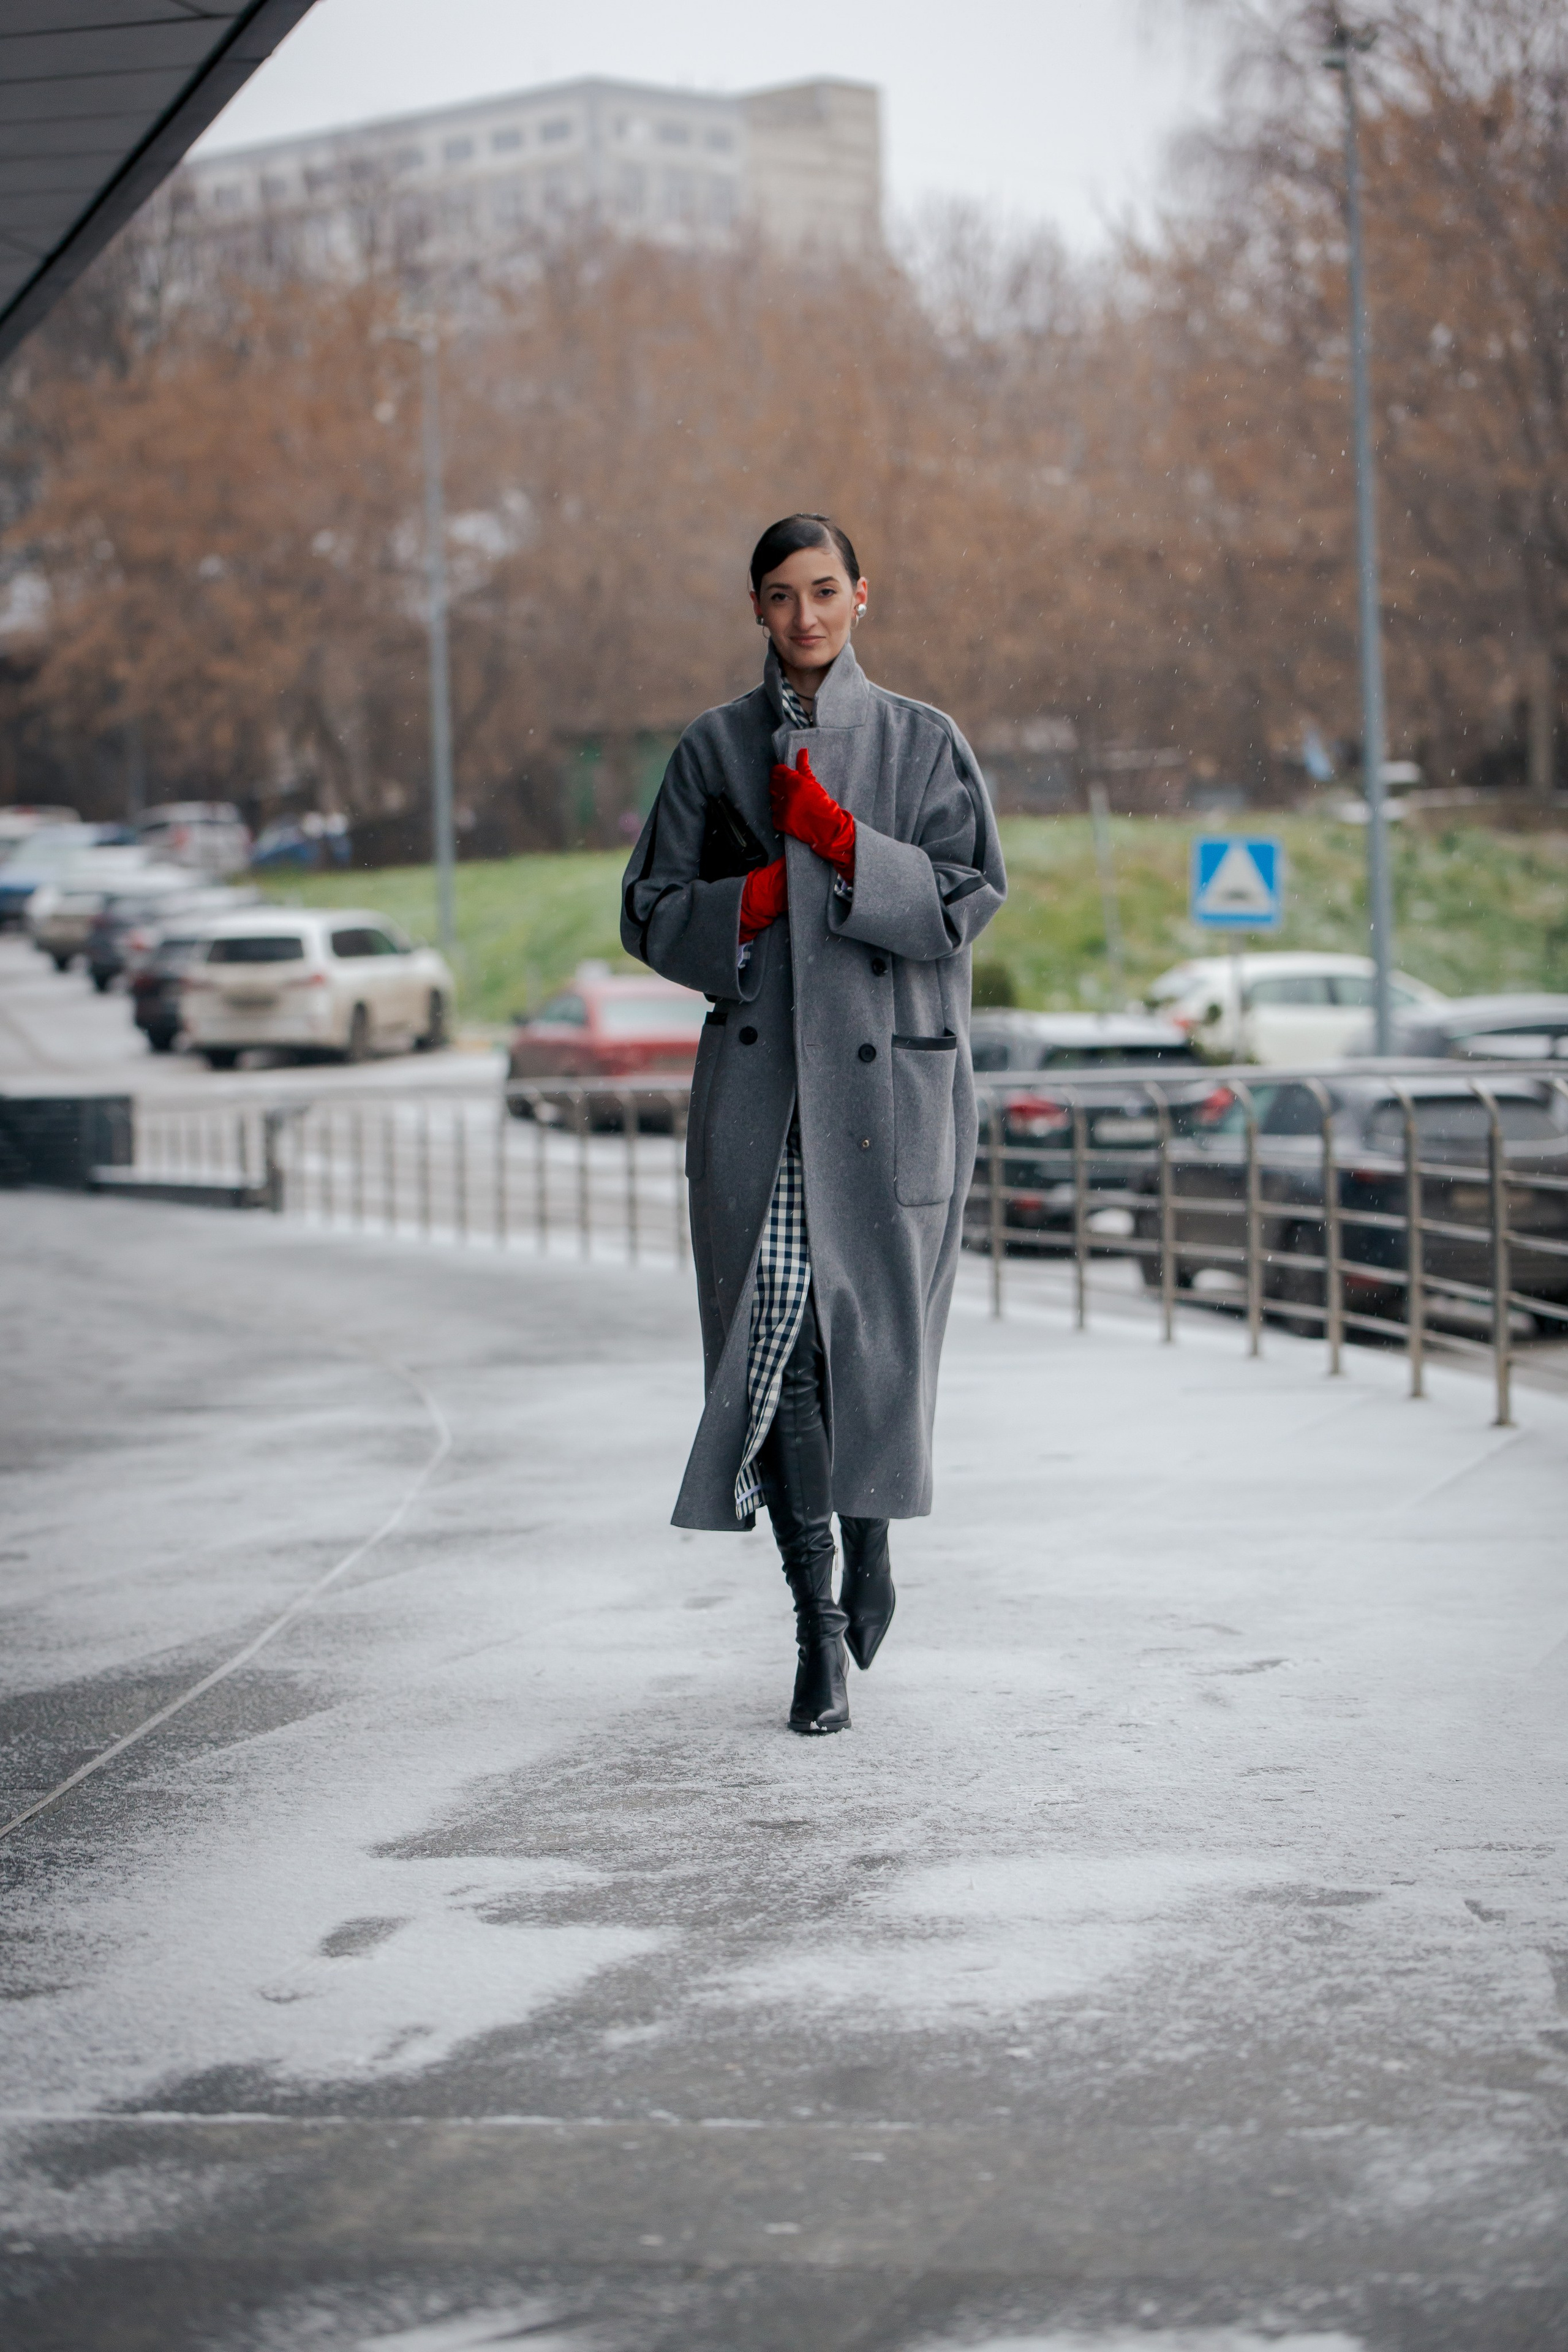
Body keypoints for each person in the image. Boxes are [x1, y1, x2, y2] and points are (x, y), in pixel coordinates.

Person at [621, 514, 1006, 1734]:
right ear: (754, 608)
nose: (804, 616)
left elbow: (965, 898)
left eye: (824, 590)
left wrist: (845, 849)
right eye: (780, 595)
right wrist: (756, 896)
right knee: (775, 1352)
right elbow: (646, 909)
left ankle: (873, 1539)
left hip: (887, 1096)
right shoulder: (712, 748)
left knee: (867, 1348)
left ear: (860, 597)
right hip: (759, 1101)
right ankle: (817, 1629)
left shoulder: (920, 741)